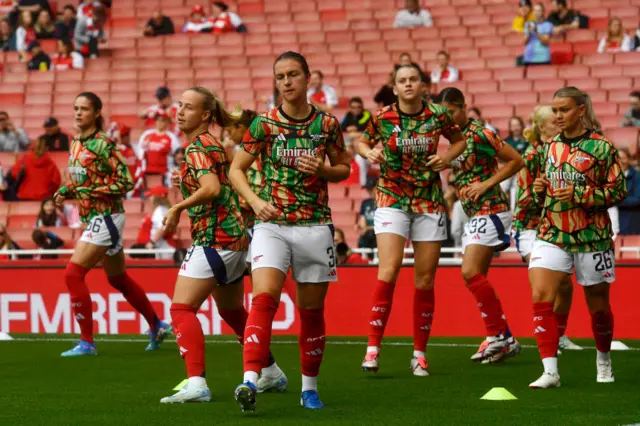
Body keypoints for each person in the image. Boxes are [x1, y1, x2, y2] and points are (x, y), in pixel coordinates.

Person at [230, 51, 350, 412]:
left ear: (308, 78)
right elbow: (237, 170)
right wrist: (254, 201)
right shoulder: (263, 124)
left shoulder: (327, 124)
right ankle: (250, 380)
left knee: (311, 311)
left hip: (315, 225)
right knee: (264, 298)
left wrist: (326, 171)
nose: (286, 82)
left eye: (293, 74)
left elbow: (344, 167)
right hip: (273, 225)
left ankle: (309, 388)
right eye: (280, 76)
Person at [159, 87, 283, 403]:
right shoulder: (212, 144)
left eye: (188, 107)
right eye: (179, 106)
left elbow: (212, 188)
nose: (180, 111)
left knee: (181, 308)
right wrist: (185, 183)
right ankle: (270, 372)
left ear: (205, 115)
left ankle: (196, 382)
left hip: (214, 238)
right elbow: (217, 181)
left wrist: (177, 206)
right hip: (235, 238)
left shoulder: (196, 149)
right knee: (231, 311)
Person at [356, 64, 466, 376]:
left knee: (425, 280)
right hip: (391, 198)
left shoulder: (438, 115)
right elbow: (362, 142)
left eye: (413, 80)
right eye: (402, 80)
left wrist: (446, 158)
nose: (407, 85)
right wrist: (368, 153)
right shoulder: (382, 116)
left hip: (429, 200)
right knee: (388, 270)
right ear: (394, 86)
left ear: (422, 85)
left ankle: (419, 354)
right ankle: (373, 349)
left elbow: (458, 141)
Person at [52, 92, 171, 357]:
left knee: (72, 274)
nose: (78, 113)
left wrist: (89, 192)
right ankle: (156, 324)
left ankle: (87, 343)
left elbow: (126, 182)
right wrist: (65, 191)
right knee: (118, 278)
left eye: (84, 109)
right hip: (94, 217)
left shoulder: (103, 144)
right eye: (75, 107)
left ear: (96, 114)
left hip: (106, 217)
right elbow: (82, 180)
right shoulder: (76, 143)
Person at [528, 87, 626, 388]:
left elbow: (618, 190)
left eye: (564, 110)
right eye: (554, 110)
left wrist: (580, 193)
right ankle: (550, 371)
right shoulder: (550, 146)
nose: (558, 116)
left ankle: (603, 359)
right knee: (541, 296)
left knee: (598, 305)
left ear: (580, 110)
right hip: (552, 232)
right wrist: (539, 189)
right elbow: (539, 188)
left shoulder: (602, 147)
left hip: (592, 236)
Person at [439, 87, 525, 363]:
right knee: (477, 278)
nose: (448, 119)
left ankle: (499, 335)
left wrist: (486, 183)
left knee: (469, 272)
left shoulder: (481, 134)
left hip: (493, 210)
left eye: (451, 112)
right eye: (444, 114)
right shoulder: (453, 138)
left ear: (463, 108)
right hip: (475, 213)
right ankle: (502, 337)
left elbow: (516, 160)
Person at [512, 105, 583, 352]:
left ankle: (559, 336)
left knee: (565, 284)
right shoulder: (530, 158)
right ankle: (546, 341)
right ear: (542, 127)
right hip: (529, 228)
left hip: (554, 226)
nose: (560, 124)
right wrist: (541, 194)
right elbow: (523, 200)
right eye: (555, 122)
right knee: (548, 284)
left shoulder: (563, 152)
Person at [137, 109, 181, 180]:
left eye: (163, 120)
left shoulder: (172, 137)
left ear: (167, 122)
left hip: (165, 173)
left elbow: (178, 155)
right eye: (157, 120)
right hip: (146, 173)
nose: (160, 122)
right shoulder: (147, 134)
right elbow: (139, 152)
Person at [616, 147, 640, 235]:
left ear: (629, 159)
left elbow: (638, 199)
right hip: (610, 224)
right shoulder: (610, 177)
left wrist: (616, 200)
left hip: (629, 224)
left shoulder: (637, 176)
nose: (620, 161)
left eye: (623, 158)